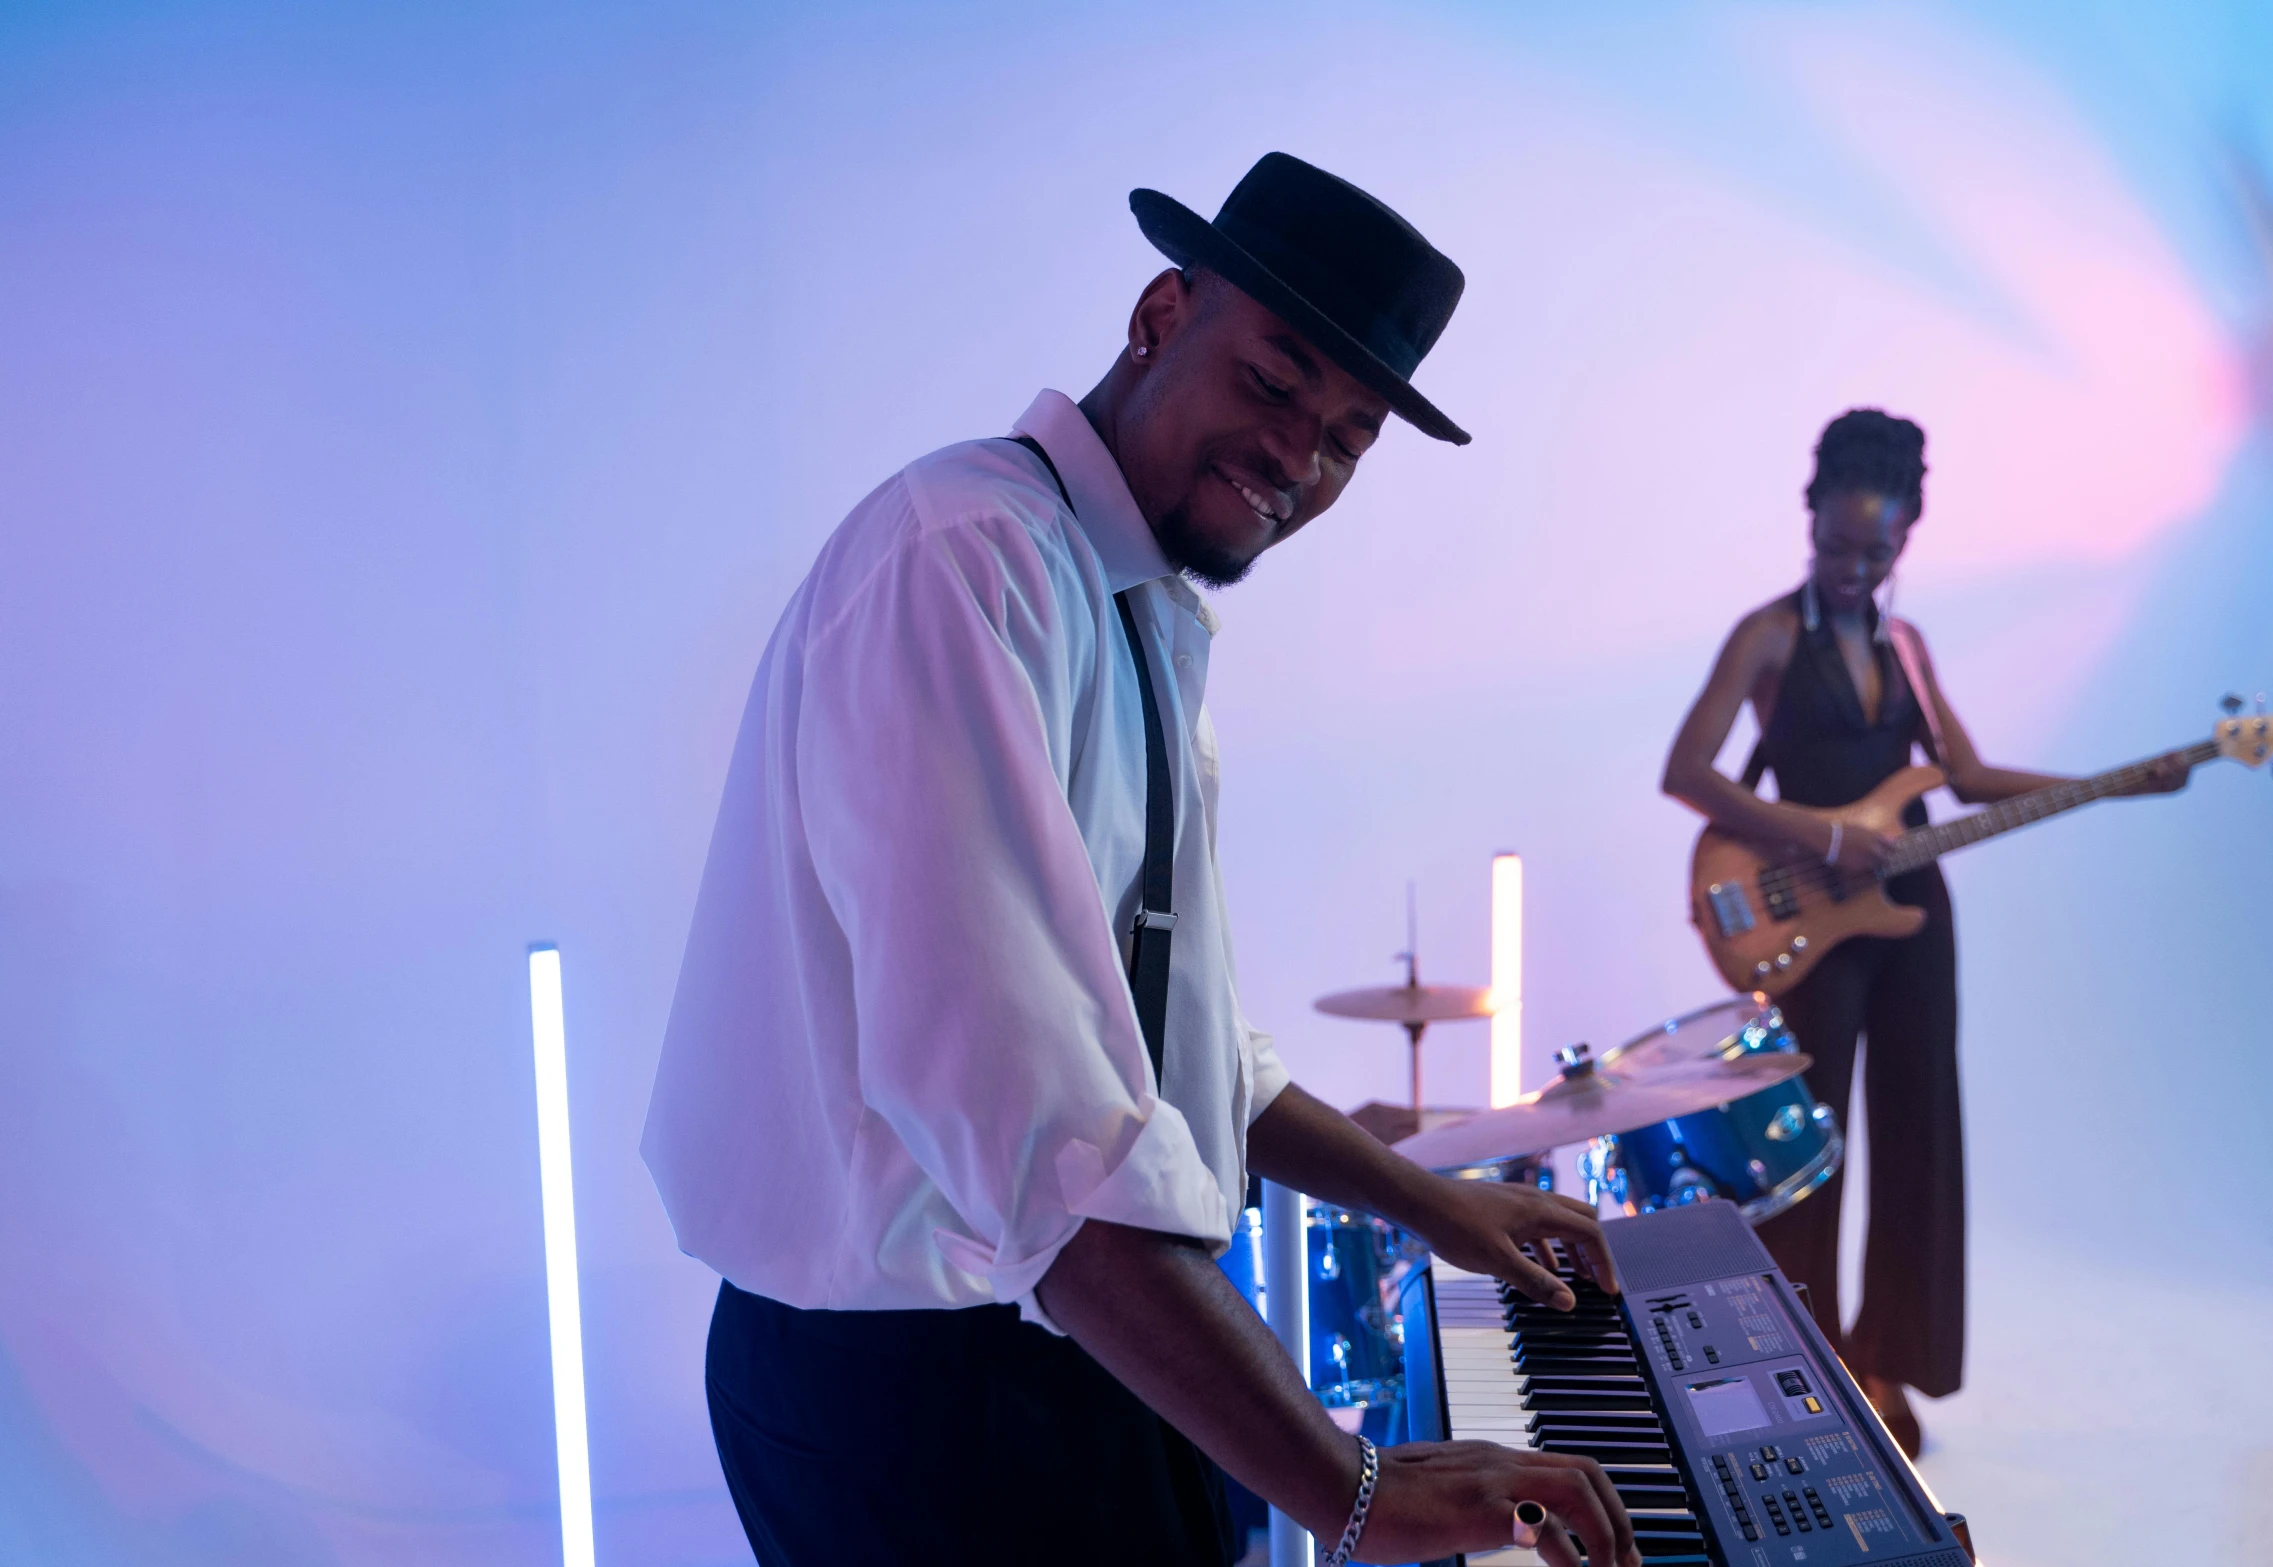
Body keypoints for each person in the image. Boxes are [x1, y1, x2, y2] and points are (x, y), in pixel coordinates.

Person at [643, 153, 1640, 1567]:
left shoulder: (1120, 595)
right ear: (1162, 314)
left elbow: (1179, 1054)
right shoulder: (964, 561)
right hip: (919, 1390)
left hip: (1066, 1338)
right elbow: (1044, 1124)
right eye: (1275, 383)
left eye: (1349, 436)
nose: (1300, 456)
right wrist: (1357, 1493)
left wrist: (1433, 1201)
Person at [1659, 408, 2187, 1457]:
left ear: (1907, 535)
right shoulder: (1763, 635)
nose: (1855, 568)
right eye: (1836, 546)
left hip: (1911, 914)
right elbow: (1688, 771)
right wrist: (1818, 833)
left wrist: (2109, 786)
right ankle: (1791, 1360)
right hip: (1807, 912)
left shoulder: (1905, 644)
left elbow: (1965, 774)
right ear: (1808, 516)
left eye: (1878, 550)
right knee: (1806, 1144)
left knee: (1916, 1132)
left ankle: (1881, 1364)